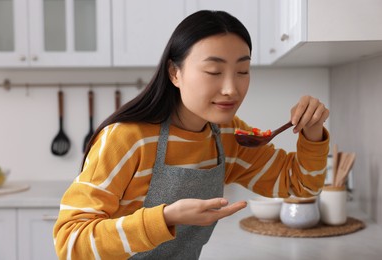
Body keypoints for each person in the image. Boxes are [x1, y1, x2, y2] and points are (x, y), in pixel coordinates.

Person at [53, 10, 329, 259]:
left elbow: (301, 186)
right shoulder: (127, 138)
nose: (231, 88)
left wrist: (312, 132)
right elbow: (70, 244)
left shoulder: (228, 136)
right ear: (175, 72)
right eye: (213, 71)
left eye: (243, 71)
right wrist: (165, 218)